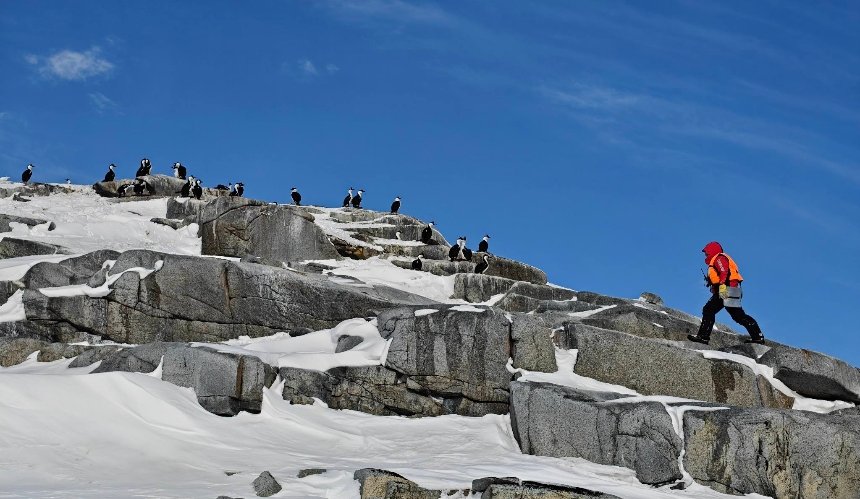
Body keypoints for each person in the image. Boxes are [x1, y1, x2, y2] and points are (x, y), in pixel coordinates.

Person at [687, 241, 766, 345]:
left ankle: (703, 337)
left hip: (726, 289)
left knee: (708, 310)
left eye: (706, 253)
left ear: (712, 251)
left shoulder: (718, 258)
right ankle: (757, 337)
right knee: (738, 316)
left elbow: (724, 271)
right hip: (732, 289)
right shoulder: (720, 258)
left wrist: (722, 285)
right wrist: (714, 286)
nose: (705, 255)